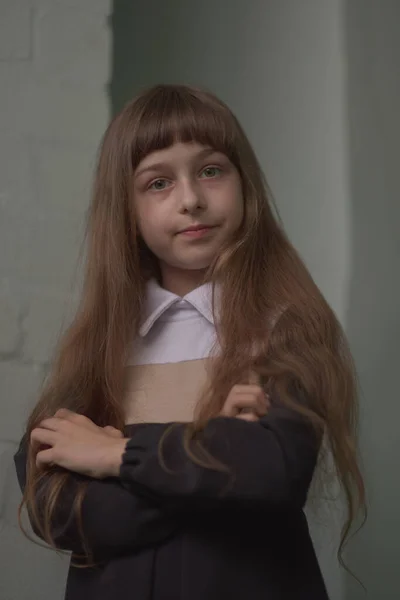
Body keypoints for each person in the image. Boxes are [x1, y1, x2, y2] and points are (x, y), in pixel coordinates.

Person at [14, 84, 365, 600]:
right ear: (125, 211)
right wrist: (213, 462)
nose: (191, 199)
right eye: (158, 182)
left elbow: (271, 474)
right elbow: (56, 505)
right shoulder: (98, 347)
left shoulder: (287, 324)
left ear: (244, 182)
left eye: (211, 170)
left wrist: (117, 455)